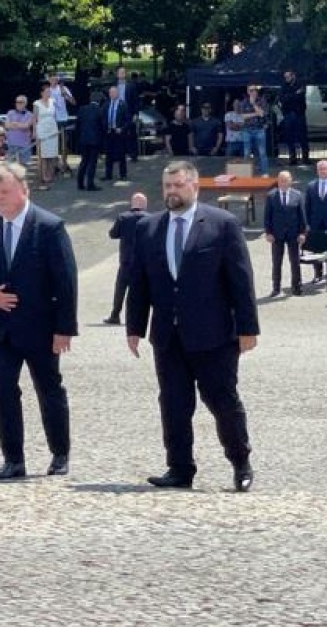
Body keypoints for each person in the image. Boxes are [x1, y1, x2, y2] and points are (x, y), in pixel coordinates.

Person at [127, 158, 260, 492]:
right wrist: (134, 327)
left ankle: (240, 462)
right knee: (173, 403)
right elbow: (139, 281)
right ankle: (179, 468)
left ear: (195, 186)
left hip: (214, 335)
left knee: (222, 401)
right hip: (168, 336)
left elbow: (241, 280)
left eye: (178, 185)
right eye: (167, 186)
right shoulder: (148, 228)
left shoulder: (222, 224)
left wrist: (248, 328)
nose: (171, 191)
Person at [0, 161, 78, 480]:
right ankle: (13, 459)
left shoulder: (49, 226)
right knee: (3, 390)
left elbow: (66, 281)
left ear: (23, 190)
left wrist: (64, 329)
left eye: (5, 191)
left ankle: (60, 453)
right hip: (2, 330)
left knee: (49, 389)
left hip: (41, 327)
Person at [106, 192, 149, 324]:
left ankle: (115, 315)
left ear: (132, 203)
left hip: (126, 259)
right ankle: (139, 317)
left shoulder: (123, 217)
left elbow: (113, 234)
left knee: (120, 288)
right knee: (142, 289)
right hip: (143, 260)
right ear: (144, 205)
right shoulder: (150, 218)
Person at [262, 170, 305, 298]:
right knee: (276, 262)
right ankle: (276, 288)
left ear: (290, 181)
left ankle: (296, 287)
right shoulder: (271, 196)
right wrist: (268, 232)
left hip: (293, 233)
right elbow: (267, 216)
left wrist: (302, 232)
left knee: (295, 261)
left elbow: (302, 216)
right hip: (277, 234)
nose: (283, 183)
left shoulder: (297, 195)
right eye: (281, 181)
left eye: (286, 180)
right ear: (278, 181)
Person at [233, 85, 268, 174]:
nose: (253, 92)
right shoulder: (243, 102)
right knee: (247, 153)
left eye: (255, 90)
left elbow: (262, 114)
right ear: (248, 92)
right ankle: (246, 174)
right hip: (247, 130)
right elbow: (243, 116)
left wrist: (253, 104)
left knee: (262, 153)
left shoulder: (262, 100)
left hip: (259, 129)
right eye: (251, 90)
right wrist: (256, 113)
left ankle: (264, 173)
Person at [33, 83, 60, 189]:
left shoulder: (53, 101)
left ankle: (51, 174)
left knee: (52, 154)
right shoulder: (36, 103)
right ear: (42, 93)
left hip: (52, 129)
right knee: (43, 155)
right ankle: (43, 175)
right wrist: (34, 131)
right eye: (47, 92)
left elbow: (56, 115)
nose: (48, 93)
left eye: (49, 92)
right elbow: (34, 118)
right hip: (42, 130)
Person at [101, 85, 131, 184]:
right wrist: (105, 128)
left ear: (117, 93)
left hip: (119, 133)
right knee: (108, 154)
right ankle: (108, 174)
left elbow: (128, 120)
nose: (112, 94)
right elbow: (102, 118)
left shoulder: (123, 105)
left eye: (114, 92)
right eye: (111, 93)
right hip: (109, 132)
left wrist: (122, 129)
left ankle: (123, 174)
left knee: (121, 154)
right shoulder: (106, 105)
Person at [277, 70, 308, 165]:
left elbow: (300, 97)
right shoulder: (284, 86)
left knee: (302, 137)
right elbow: (282, 98)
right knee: (289, 137)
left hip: (299, 114)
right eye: (285, 77)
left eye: (288, 77)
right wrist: (294, 94)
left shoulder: (300, 84)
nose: (286, 79)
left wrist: (289, 96)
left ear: (293, 76)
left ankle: (305, 158)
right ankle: (292, 158)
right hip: (288, 114)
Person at [3, 96, 35, 166]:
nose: (18, 104)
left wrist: (14, 124)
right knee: (10, 168)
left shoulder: (30, 114)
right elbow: (7, 125)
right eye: (16, 102)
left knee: (24, 168)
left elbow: (26, 126)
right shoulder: (10, 113)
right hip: (11, 144)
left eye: (20, 102)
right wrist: (20, 125)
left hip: (24, 145)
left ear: (25, 103)